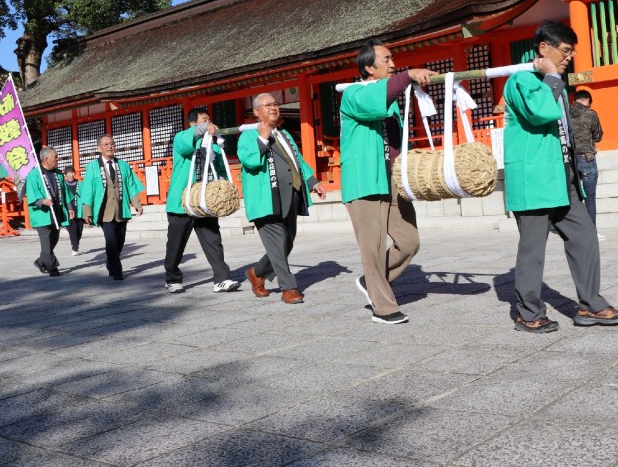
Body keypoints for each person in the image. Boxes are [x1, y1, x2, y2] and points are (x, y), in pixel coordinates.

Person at [503, 21, 618, 333]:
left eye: (571, 52)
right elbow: (541, 112)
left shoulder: (552, 80)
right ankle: (528, 312)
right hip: (534, 179)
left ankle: (591, 305)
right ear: (544, 48)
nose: (569, 57)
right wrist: (551, 77)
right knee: (533, 249)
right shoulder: (522, 80)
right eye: (565, 51)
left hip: (563, 178)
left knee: (585, 237)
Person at [339, 40, 437, 325]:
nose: (394, 64)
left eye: (393, 59)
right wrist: (408, 76)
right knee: (372, 246)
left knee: (409, 242)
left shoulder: (389, 101)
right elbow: (376, 103)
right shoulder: (353, 93)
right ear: (368, 67)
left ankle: (371, 282)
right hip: (365, 181)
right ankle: (382, 307)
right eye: (387, 59)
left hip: (392, 180)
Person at [238, 93, 326, 304]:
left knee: (287, 242)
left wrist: (313, 182)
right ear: (256, 112)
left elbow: (298, 161)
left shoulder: (284, 134)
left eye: (276, 104)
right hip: (266, 199)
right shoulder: (248, 136)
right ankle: (289, 287)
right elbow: (250, 161)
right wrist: (262, 137)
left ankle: (257, 272)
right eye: (267, 105)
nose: (273, 108)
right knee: (278, 243)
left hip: (291, 195)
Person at [162, 107, 240, 294]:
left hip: (205, 202)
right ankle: (172, 278)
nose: (209, 123)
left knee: (213, 240)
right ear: (192, 124)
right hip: (182, 203)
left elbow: (220, 169)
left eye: (209, 120)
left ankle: (222, 279)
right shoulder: (181, 139)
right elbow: (193, 136)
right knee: (176, 244)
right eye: (204, 120)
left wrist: (223, 186)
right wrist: (204, 129)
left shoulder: (213, 147)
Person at [80, 135, 145, 280]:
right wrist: (87, 211)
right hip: (104, 211)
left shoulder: (123, 165)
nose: (109, 147)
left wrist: (137, 204)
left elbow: (131, 185)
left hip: (121, 209)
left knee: (120, 240)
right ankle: (117, 270)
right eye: (105, 144)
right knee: (110, 239)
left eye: (112, 144)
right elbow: (87, 190)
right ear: (99, 148)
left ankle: (111, 263)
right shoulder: (92, 167)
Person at [27, 148, 72, 276]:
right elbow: (31, 193)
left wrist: (69, 207)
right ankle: (52, 268)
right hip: (42, 213)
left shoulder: (58, 173)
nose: (58, 159)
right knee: (46, 240)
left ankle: (41, 261)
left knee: (54, 238)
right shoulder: (34, 174)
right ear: (46, 159)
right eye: (55, 157)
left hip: (56, 211)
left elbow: (65, 192)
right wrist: (42, 200)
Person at [569, 89, 604, 237]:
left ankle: (576, 231)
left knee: (574, 197)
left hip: (570, 159)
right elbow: (598, 136)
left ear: (575, 100)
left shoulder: (565, 114)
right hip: (586, 157)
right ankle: (591, 232)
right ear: (587, 100)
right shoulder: (591, 114)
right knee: (590, 197)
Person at [63, 166, 84, 256]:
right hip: (68, 211)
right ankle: (74, 247)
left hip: (78, 210)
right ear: (65, 175)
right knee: (73, 229)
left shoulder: (80, 184)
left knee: (79, 230)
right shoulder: (63, 185)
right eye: (69, 173)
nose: (71, 175)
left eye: (72, 173)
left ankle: (75, 244)